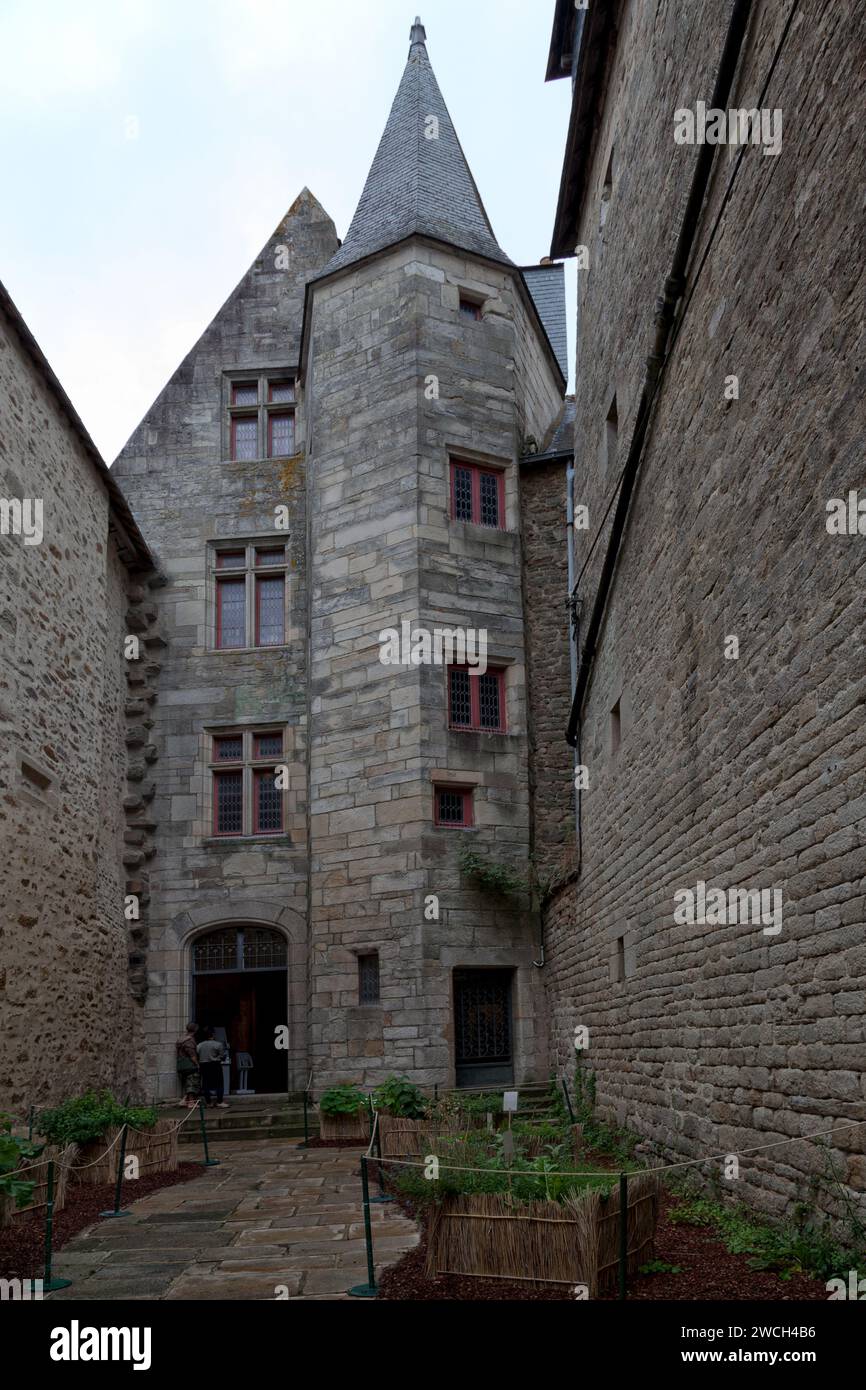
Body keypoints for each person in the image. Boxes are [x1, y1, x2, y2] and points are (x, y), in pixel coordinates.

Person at [197, 1027, 228, 1108]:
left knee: (205, 1084)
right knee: (219, 1083)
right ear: (213, 1035)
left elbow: (197, 1054)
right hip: (215, 1064)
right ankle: (219, 1101)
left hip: (204, 1065)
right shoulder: (218, 1044)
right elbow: (222, 1056)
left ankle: (208, 1102)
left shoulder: (199, 1045)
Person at [175, 1022, 201, 1109]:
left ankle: (185, 1100)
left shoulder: (181, 1039)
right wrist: (197, 1064)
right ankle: (191, 1102)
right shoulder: (189, 1041)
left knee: (188, 1083)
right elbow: (192, 1055)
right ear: (195, 1030)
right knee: (192, 1082)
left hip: (181, 1064)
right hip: (189, 1065)